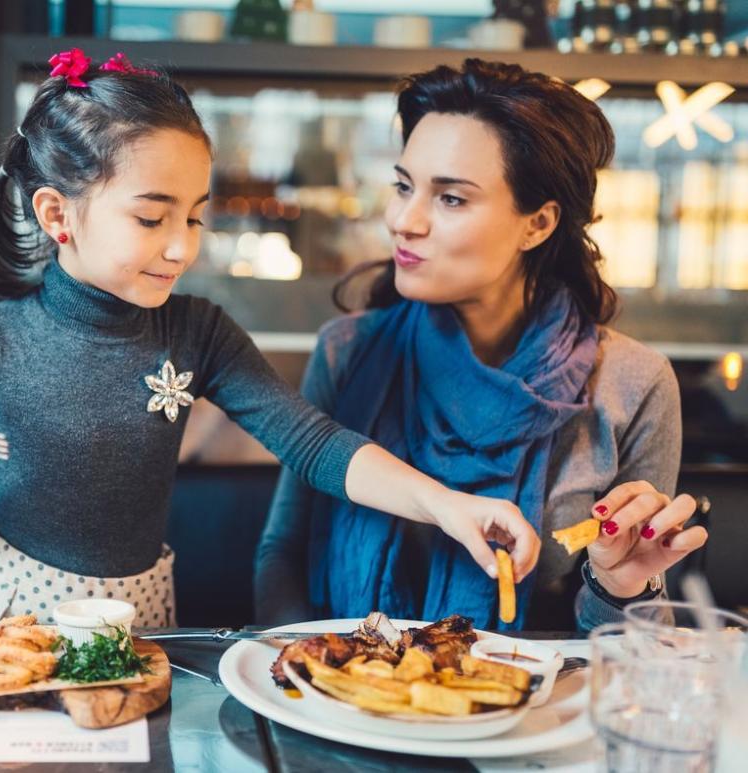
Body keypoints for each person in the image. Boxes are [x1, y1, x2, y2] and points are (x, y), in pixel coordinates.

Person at [0, 50, 539, 627]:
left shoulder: (196, 330)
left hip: (136, 620)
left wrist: (448, 505)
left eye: (194, 216)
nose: (181, 246)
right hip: (8, 621)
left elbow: (314, 445)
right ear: (57, 213)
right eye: (151, 216)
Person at [254, 59, 709, 633]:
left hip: (525, 707)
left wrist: (620, 586)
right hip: (339, 695)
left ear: (538, 224)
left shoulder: (632, 383)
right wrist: (301, 671)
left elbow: (625, 644)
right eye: (403, 186)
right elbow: (282, 552)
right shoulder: (348, 351)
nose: (403, 220)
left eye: (451, 199)